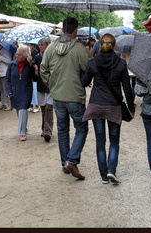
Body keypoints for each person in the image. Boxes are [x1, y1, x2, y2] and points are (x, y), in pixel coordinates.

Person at [39, 16, 92, 179]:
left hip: (57, 96)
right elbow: (89, 71)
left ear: (62, 29)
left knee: (63, 130)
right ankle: (72, 160)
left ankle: (65, 163)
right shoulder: (80, 49)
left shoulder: (50, 48)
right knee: (81, 128)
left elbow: (43, 69)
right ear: (75, 31)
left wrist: (53, 85)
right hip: (75, 96)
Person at [79, 32, 134, 184]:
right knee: (114, 140)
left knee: (100, 141)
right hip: (113, 105)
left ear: (100, 46)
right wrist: (131, 107)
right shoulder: (121, 64)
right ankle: (111, 170)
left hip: (96, 104)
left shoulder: (93, 62)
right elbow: (127, 89)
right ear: (114, 46)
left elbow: (84, 82)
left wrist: (84, 70)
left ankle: (103, 175)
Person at [8, 43, 36, 139]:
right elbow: (7, 80)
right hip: (15, 91)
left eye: (19, 55)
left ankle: (22, 133)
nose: (17, 56)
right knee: (18, 110)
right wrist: (8, 91)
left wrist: (31, 64)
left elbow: (34, 77)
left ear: (25, 56)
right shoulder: (11, 65)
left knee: (23, 109)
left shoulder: (29, 65)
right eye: (16, 54)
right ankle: (24, 126)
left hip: (26, 91)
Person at [33, 37, 54, 140]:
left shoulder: (52, 56)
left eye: (42, 45)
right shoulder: (37, 57)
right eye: (39, 45)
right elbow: (34, 75)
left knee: (49, 108)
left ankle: (48, 131)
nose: (40, 47)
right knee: (43, 109)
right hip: (41, 85)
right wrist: (35, 71)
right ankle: (44, 128)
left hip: (50, 85)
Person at [0, 35, 13, 108]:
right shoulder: (0, 49)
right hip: (1, 71)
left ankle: (9, 104)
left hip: (5, 71)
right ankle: (3, 103)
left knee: (6, 89)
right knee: (2, 89)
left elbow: (8, 61)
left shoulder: (5, 50)